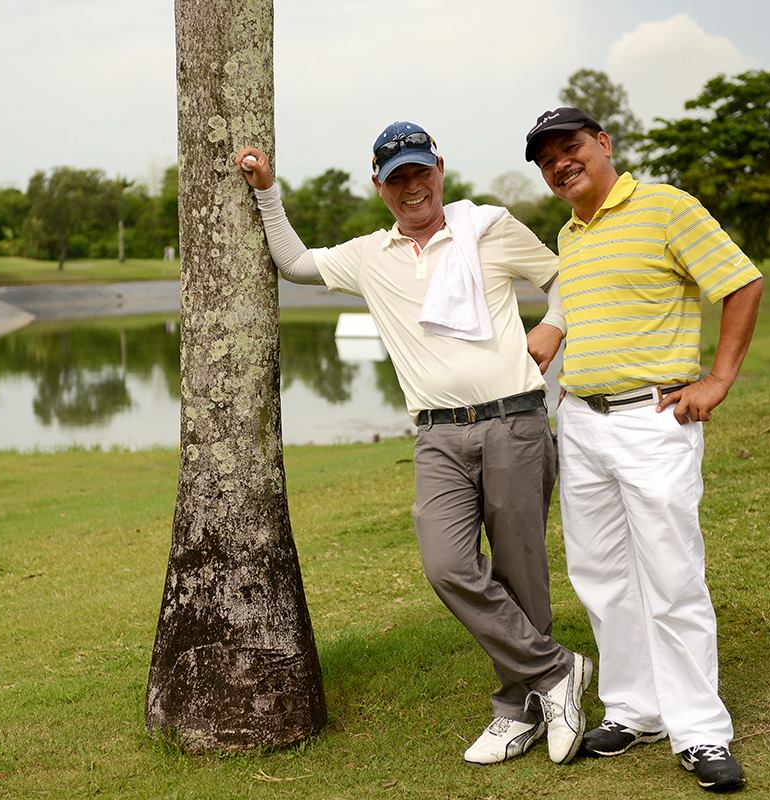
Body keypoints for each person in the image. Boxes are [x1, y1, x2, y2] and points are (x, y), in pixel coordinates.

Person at [236, 122, 591, 767]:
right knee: (447, 565)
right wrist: (266, 191)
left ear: (440, 170)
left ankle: (518, 712)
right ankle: (556, 671)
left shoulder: (490, 228)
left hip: (514, 420)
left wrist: (555, 325)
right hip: (437, 436)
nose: (412, 187)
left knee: (520, 572)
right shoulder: (370, 255)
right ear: (379, 185)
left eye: (420, 172)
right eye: (397, 178)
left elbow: (566, 276)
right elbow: (295, 263)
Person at [524, 106, 763, 793]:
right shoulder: (570, 235)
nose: (561, 164)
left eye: (571, 148)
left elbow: (741, 282)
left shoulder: (665, 207)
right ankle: (636, 710)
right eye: (547, 160)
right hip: (582, 423)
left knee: (671, 575)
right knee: (601, 575)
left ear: (603, 144)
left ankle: (700, 729)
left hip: (652, 420)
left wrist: (718, 379)